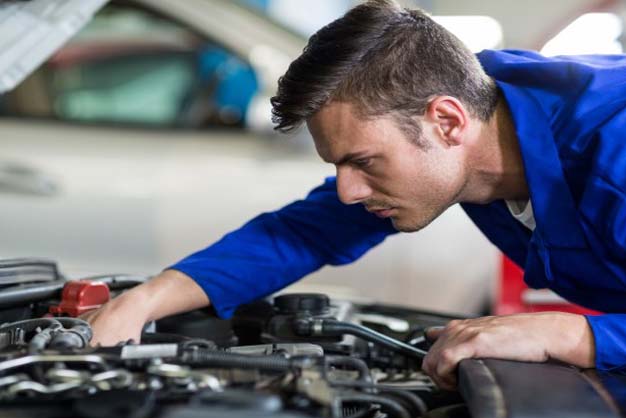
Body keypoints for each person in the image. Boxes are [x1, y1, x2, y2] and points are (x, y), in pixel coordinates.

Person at [84, 0, 626, 390]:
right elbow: (303, 231)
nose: (346, 192)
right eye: (338, 164)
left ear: (446, 121)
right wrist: (144, 301)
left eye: (361, 162)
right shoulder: (476, 108)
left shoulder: (611, 152)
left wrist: (573, 334)